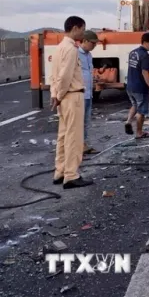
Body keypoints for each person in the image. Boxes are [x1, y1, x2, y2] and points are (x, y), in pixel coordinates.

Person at [50, 16, 94, 189]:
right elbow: (66, 75)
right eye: (83, 29)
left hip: (63, 97)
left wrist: (55, 95)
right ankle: (71, 175)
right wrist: (59, 95)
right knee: (74, 137)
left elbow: (55, 75)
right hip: (72, 95)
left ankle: (60, 172)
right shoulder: (71, 49)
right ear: (75, 28)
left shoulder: (60, 47)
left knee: (63, 136)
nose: (83, 33)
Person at [124, 32, 149, 138]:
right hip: (140, 87)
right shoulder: (146, 56)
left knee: (135, 105)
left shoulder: (133, 53)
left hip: (129, 86)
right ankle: (139, 132)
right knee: (141, 111)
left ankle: (128, 121)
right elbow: (144, 73)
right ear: (145, 42)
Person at [78, 30, 99, 155]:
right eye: (92, 43)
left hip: (88, 93)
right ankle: (77, 146)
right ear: (84, 41)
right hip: (79, 94)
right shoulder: (75, 54)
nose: (94, 46)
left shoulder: (89, 55)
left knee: (86, 121)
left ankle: (83, 144)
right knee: (78, 122)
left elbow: (87, 72)